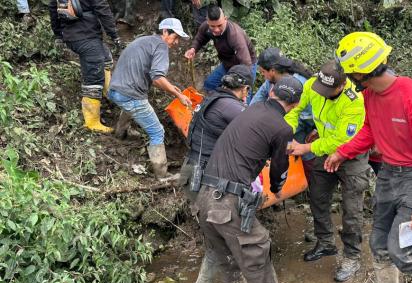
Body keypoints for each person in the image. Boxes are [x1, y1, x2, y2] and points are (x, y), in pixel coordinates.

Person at [324, 32, 412, 283]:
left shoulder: (411, 94)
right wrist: (342, 151)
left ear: (360, 73)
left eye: (350, 73)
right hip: (388, 175)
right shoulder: (371, 96)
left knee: (403, 250)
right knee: (380, 246)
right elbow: (370, 131)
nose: (349, 78)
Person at [196, 76, 303, 283]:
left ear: (272, 92)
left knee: (229, 261)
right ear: (295, 104)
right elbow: (279, 168)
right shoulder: (282, 128)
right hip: (227, 201)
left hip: (204, 196)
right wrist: (276, 188)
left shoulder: (250, 110)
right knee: (256, 252)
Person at [285, 60, 369, 282]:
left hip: (351, 156)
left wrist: (306, 147)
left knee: (351, 209)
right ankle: (325, 242)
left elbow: (343, 139)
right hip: (324, 149)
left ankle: (352, 256)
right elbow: (297, 109)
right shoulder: (315, 84)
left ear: (342, 85)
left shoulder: (354, 101)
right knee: (317, 196)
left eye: (328, 91)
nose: (321, 93)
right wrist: (285, 131)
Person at [179, 65, 253, 283]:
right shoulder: (230, 106)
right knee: (220, 234)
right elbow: (256, 126)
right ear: (243, 89)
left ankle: (226, 276)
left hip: (192, 172)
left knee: (219, 231)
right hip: (204, 179)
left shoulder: (213, 98)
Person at [107, 18, 192, 179]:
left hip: (115, 90)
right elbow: (157, 78)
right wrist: (178, 95)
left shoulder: (145, 41)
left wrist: (172, 88)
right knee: (157, 131)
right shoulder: (161, 47)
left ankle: (120, 133)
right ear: (165, 32)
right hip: (130, 94)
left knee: (130, 105)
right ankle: (162, 175)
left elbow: (152, 73)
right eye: (175, 37)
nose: (177, 42)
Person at [49, 0, 122, 133]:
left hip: (73, 35)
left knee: (106, 59)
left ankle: (109, 93)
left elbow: (53, 9)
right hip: (85, 35)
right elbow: (102, 9)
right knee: (94, 77)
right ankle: (92, 122)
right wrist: (114, 35)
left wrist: (58, 34)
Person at [251, 47, 316, 173]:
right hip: (287, 120)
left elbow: (305, 112)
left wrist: (315, 130)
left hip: (305, 123)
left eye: (263, 72)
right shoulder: (271, 81)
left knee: (304, 154)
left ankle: (309, 181)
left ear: (273, 71)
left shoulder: (300, 84)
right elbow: (258, 99)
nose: (263, 75)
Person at [184, 5, 257, 99]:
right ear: (207, 21)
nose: (216, 30)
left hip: (246, 66)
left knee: (243, 98)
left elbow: (246, 64)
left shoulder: (235, 36)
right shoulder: (206, 27)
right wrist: (193, 49)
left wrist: (243, 87)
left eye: (219, 25)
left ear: (225, 19)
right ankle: (218, 103)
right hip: (227, 63)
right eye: (212, 26)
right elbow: (200, 38)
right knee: (210, 84)